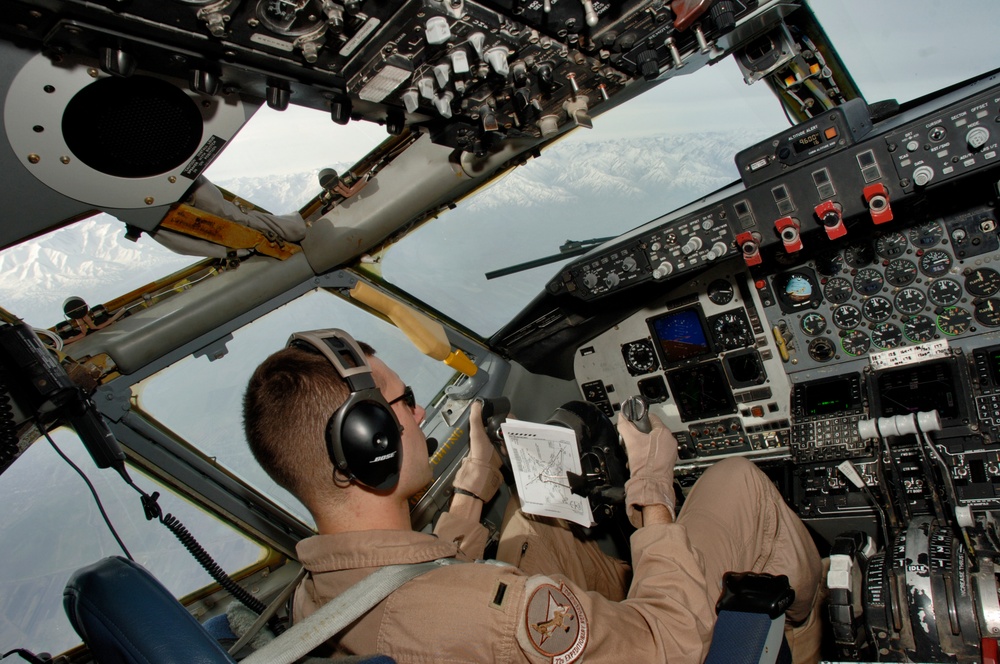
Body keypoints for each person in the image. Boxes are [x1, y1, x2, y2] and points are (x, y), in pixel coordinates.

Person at [243, 329, 823, 663]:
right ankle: (802, 637)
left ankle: (631, 578)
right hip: (661, 643)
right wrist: (650, 487)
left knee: (532, 522)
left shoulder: (313, 604)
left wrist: (475, 481)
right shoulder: (499, 616)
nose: (420, 413)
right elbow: (666, 644)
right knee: (737, 481)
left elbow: (411, 576)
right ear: (371, 442)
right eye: (404, 402)